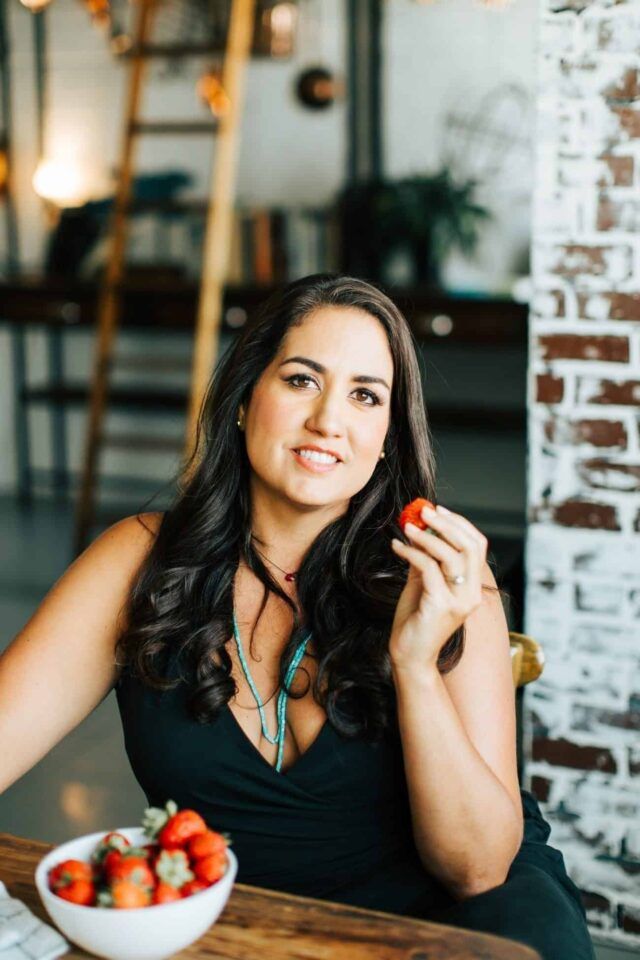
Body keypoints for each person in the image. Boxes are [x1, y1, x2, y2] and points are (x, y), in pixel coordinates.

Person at [0, 275, 594, 960]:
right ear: (245, 400)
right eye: (302, 380)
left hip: (460, 931)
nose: (328, 421)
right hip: (254, 934)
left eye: (365, 395)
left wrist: (415, 668)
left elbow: (477, 869)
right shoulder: (136, 564)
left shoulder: (443, 579)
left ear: (385, 441)